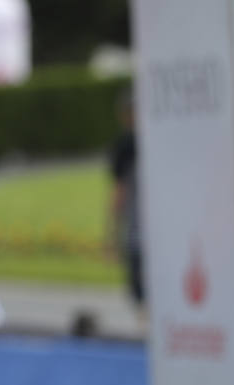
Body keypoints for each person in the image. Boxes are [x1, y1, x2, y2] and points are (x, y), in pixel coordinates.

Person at [108, 88, 145, 321]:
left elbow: (118, 193)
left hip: (138, 227)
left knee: (140, 284)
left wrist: (111, 232)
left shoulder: (126, 146)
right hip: (145, 225)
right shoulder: (130, 145)